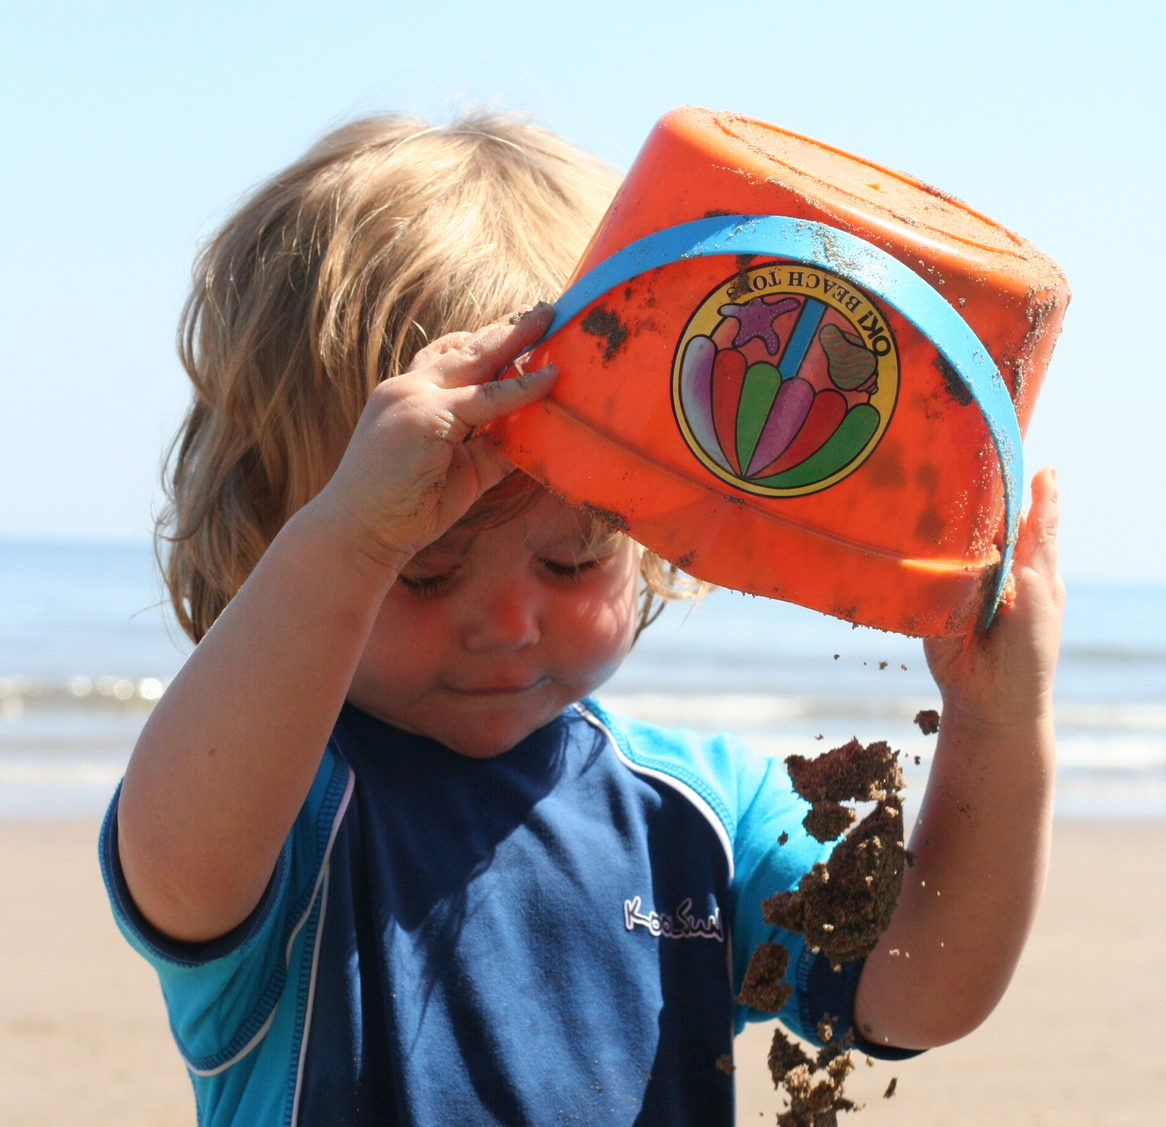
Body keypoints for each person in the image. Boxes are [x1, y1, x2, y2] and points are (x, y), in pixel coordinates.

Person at [100, 112, 1065, 1126]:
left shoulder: (696, 813)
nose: (510, 621)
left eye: (574, 555)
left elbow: (917, 986)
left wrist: (996, 723)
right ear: (274, 533)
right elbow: (176, 867)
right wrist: (345, 545)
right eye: (419, 568)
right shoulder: (279, 804)